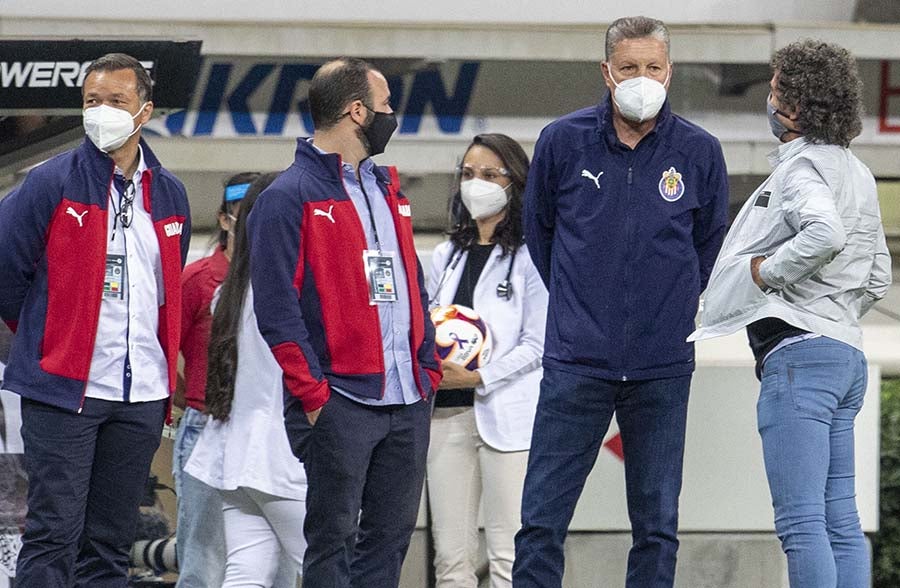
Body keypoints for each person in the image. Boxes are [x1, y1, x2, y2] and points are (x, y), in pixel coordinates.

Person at [514, 16, 730, 588]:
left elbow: (708, 247)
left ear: (670, 71)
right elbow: (540, 235)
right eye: (630, 67)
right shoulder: (563, 140)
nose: (643, 78)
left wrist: (673, 304)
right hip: (575, 363)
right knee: (540, 522)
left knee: (657, 526)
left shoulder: (700, 151)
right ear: (606, 72)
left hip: (662, 367)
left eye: (653, 67)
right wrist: (580, 302)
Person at [689, 40, 892, 588]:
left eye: (775, 89)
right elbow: (878, 277)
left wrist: (765, 274)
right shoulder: (860, 174)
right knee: (840, 522)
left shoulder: (801, 170)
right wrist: (834, 309)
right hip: (844, 355)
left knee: (802, 524)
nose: (770, 98)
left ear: (796, 107)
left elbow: (823, 233)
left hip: (799, 359)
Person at [246, 57, 442, 588]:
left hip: (407, 399)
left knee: (390, 540)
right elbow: (277, 312)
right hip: (341, 404)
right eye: (384, 106)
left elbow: (410, 287)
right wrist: (314, 397)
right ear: (357, 111)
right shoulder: (287, 197)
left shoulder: (387, 191)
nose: (390, 115)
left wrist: (429, 371)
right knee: (332, 542)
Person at [0, 53, 191, 587]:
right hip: (65, 390)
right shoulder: (50, 182)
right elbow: (6, 270)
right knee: (53, 533)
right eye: (91, 101)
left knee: (109, 541)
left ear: (145, 111)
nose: (100, 112)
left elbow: (165, 290)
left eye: (115, 102)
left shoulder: (171, 192)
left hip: (141, 395)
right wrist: (48, 335)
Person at [426, 134, 547, 588]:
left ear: (515, 183)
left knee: (508, 557)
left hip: (506, 419)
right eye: (468, 174)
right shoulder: (445, 255)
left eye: (491, 175)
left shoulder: (534, 255)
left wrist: (478, 376)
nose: (477, 184)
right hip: (445, 417)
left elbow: (539, 344)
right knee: (450, 560)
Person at [186, 172, 307, 587]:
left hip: (234, 456)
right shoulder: (292, 290)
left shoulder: (231, 290)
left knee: (245, 573)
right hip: (283, 459)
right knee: (327, 566)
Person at [172, 171, 259, 588]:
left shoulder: (281, 278)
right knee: (204, 563)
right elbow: (162, 350)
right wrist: (189, 400)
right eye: (245, 213)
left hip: (263, 432)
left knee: (268, 561)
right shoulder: (198, 280)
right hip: (207, 426)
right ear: (225, 219)